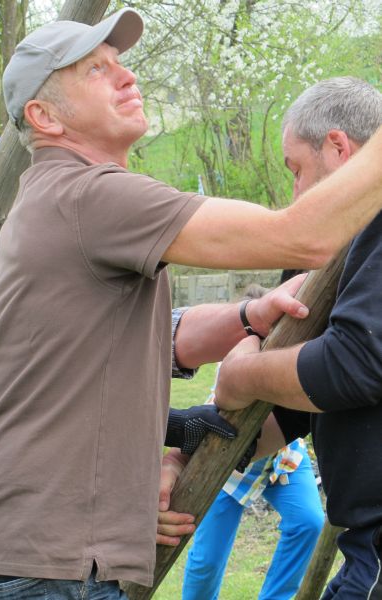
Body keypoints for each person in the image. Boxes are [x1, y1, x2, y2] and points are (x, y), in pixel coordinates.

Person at [0, 6, 382, 595]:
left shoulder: (59, 201)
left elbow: (152, 334)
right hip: (43, 562)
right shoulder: (89, 195)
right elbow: (303, 235)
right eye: (95, 70)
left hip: (17, 551)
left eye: (119, 62)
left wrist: (247, 317)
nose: (127, 75)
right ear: (44, 116)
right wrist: (240, 375)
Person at [161, 76, 382, 599]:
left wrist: (241, 374)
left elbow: (354, 364)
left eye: (296, 170)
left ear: (338, 147)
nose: (296, 193)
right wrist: (185, 453)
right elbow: (298, 408)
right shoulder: (341, 253)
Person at [182, 284, 324, 600]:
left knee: (309, 521)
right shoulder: (239, 355)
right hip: (230, 464)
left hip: (284, 459)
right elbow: (223, 401)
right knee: (207, 561)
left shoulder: (292, 349)